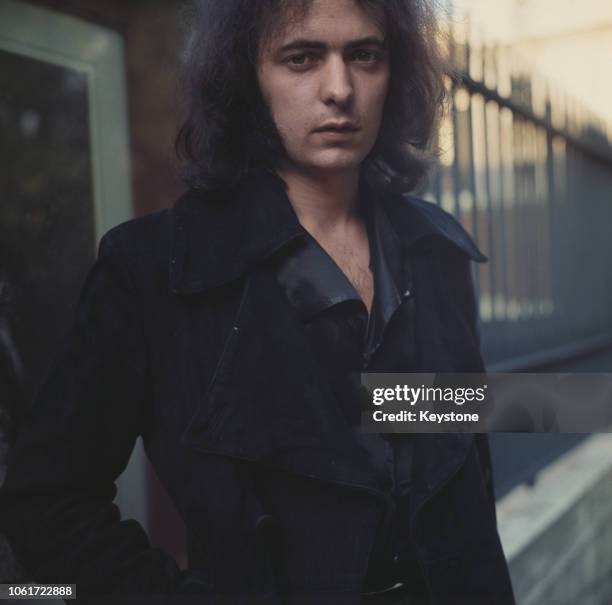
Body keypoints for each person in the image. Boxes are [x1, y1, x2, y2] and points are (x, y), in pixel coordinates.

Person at [0, 1, 516, 603]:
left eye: (364, 55)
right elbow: (47, 504)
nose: (339, 89)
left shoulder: (436, 251)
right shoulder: (151, 271)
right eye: (301, 58)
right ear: (247, 76)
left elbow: (462, 484)